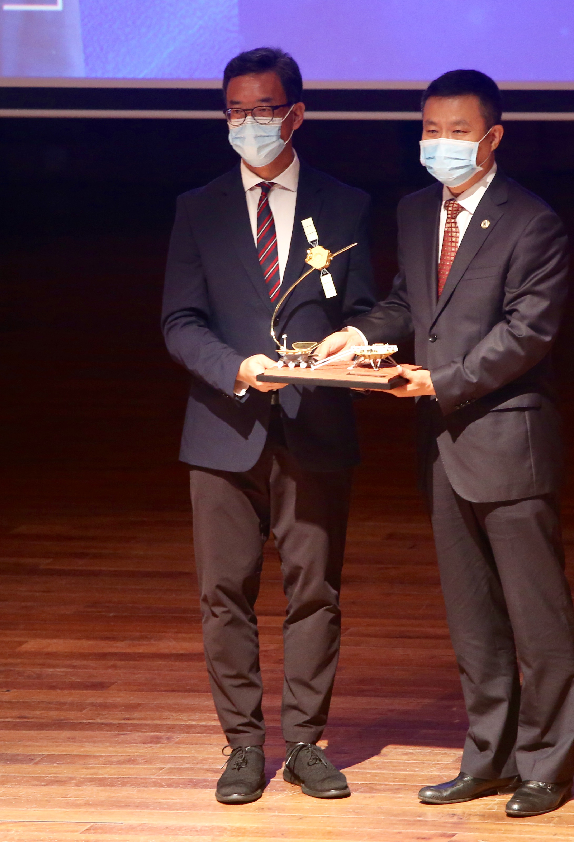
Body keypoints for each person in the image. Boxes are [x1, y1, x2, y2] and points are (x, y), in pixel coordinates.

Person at [316, 69, 574, 818]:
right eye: (430, 130)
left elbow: (528, 332)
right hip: (441, 448)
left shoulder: (533, 222)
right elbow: (408, 302)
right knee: (473, 618)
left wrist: (442, 382)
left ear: (492, 138)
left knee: (536, 617)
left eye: (458, 132)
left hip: (507, 441)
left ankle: (546, 767)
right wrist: (357, 335)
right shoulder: (413, 211)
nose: (441, 144)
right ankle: (488, 759)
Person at [161, 46, 376, 805]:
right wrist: (237, 368)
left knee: (315, 590)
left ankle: (307, 742)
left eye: (263, 110)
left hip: (316, 425)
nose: (248, 123)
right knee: (225, 593)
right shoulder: (199, 207)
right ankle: (244, 744)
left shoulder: (345, 204)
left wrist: (353, 341)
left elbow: (370, 308)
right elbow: (179, 321)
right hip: (224, 426)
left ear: (295, 114)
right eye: (236, 111)